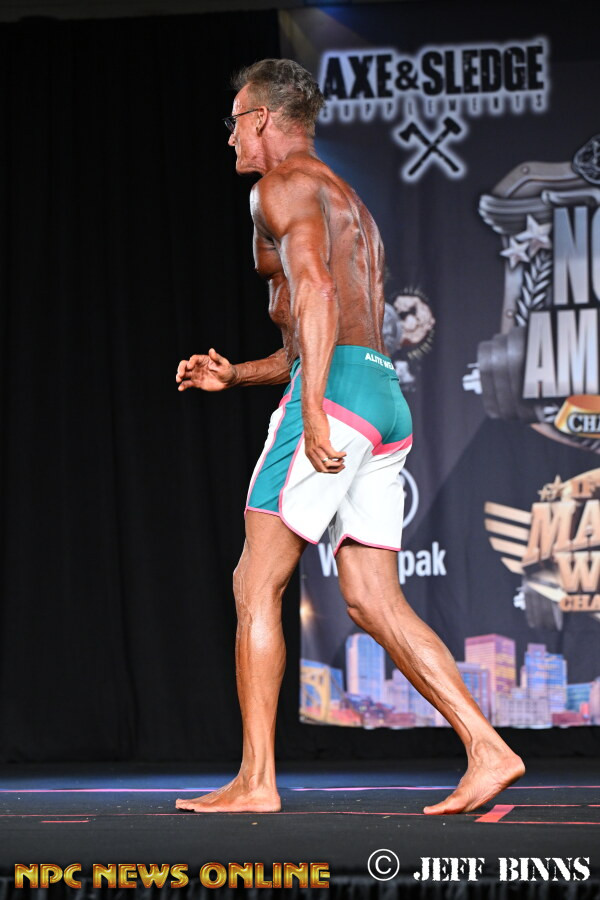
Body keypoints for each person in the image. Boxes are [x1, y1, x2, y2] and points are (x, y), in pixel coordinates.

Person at [174, 59, 524, 815]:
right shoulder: (346, 201)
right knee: (371, 596)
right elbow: (312, 334)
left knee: (254, 582)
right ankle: (488, 748)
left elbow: (319, 293)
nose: (229, 135)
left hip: (334, 394)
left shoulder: (280, 186)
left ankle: (257, 782)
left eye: (235, 120)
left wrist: (314, 410)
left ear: (263, 119)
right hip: (381, 395)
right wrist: (236, 375)